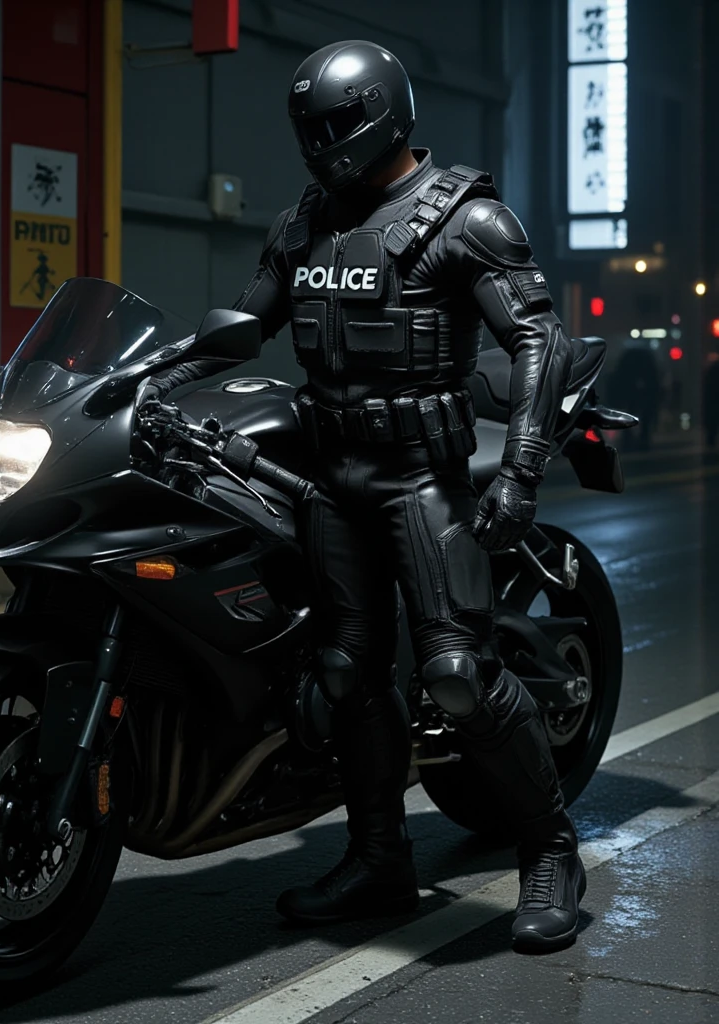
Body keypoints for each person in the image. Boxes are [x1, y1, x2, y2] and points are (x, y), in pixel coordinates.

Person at [150, 40, 585, 953]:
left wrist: (522, 469)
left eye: (338, 124)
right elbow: (246, 324)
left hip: (421, 479)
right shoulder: (304, 221)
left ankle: (550, 849)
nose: (323, 144)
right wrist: (148, 382)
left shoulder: (466, 218)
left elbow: (538, 338)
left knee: (459, 677)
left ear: (386, 112)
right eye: (311, 128)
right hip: (328, 477)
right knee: (347, 671)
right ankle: (379, 857)